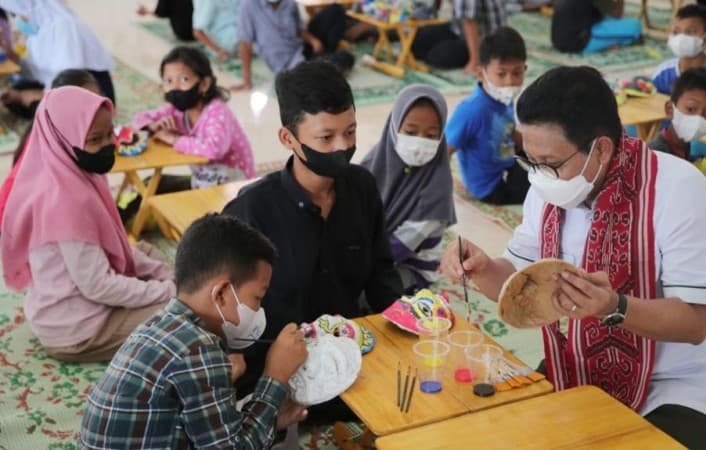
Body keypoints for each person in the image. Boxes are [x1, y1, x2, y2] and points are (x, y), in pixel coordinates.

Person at [440, 66, 706, 450]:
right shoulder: (548, 187)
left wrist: (615, 308)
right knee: (504, 435)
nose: (539, 176)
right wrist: (482, 268)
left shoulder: (682, 192)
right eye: (531, 161)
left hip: (675, 380)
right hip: (578, 361)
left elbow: (695, 323)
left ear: (602, 149)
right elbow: (516, 280)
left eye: (551, 163)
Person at [222, 60, 403, 400]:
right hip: (279, 371)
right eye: (326, 136)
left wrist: (406, 325)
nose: (341, 147)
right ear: (288, 138)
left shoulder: (361, 188)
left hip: (350, 356)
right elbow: (224, 312)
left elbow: (381, 274)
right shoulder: (252, 212)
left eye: (350, 132)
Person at [79, 214, 309, 449]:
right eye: (257, 298)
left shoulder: (159, 325)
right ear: (220, 294)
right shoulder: (199, 350)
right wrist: (275, 375)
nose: (259, 309)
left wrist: (269, 420)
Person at [1, 87, 175, 362]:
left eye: (110, 135)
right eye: (95, 139)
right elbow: (98, 285)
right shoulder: (65, 202)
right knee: (185, 315)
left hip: (61, 307)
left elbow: (114, 251)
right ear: (63, 138)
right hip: (78, 331)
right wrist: (168, 290)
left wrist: (165, 278)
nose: (108, 145)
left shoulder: (66, 172)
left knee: (146, 252)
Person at [361, 84, 457, 293]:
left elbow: (397, 248)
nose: (419, 143)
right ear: (394, 128)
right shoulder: (375, 161)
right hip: (369, 254)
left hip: (409, 266)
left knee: (369, 292)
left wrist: (354, 268)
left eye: (431, 136)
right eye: (411, 132)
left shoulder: (437, 190)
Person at [133, 46, 255, 190]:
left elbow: (214, 150)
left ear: (204, 84)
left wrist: (174, 140)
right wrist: (151, 125)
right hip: (203, 183)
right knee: (147, 185)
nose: (175, 87)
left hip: (235, 188)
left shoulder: (217, 111)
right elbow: (139, 118)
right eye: (168, 81)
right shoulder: (177, 110)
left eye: (184, 79)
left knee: (154, 191)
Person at [0, 70, 102, 229]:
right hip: (21, 226)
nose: (95, 108)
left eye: (97, 100)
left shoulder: (57, 127)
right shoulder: (53, 151)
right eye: (84, 102)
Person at [446, 26, 528, 205]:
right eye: (501, 74)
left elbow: (510, 130)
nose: (510, 82)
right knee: (542, 191)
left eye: (517, 73)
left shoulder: (501, 99)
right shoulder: (472, 110)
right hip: (490, 187)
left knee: (548, 170)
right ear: (481, 73)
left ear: (525, 69)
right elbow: (445, 149)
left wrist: (535, 150)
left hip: (505, 164)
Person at [0, 0, 115, 118]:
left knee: (45, 110)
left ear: (30, 9)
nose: (17, 20)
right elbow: (37, 71)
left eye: (16, 14)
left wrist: (25, 96)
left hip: (88, 91)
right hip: (60, 85)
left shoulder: (64, 26)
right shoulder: (40, 31)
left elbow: (69, 82)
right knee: (15, 92)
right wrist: (12, 55)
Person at [648, 67, 706, 204]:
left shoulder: (683, 148)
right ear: (670, 109)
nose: (698, 119)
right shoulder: (656, 156)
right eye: (691, 109)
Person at [235, 0, 354, 90]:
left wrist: (312, 40)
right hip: (289, 65)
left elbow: (298, 29)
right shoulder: (249, 6)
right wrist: (247, 81)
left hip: (301, 47)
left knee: (335, 10)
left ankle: (321, 59)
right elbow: (245, 43)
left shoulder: (289, 3)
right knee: (344, 58)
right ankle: (319, 64)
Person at [652, 3, 706, 128]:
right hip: (670, 133)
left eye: (690, 32)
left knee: (697, 147)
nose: (681, 38)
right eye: (676, 32)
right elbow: (652, 108)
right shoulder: (663, 72)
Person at [411, 0, 506, 75]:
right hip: (459, 29)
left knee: (436, 57)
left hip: (484, 41)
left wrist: (474, 61)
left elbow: (469, 20)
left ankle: (476, 57)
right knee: (416, 39)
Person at [550, 0, 642, 54]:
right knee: (635, 27)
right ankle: (607, 43)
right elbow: (617, 15)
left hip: (557, 40)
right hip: (578, 43)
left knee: (607, 18)